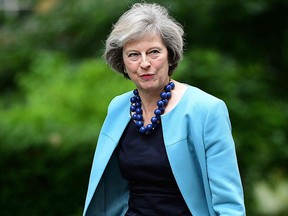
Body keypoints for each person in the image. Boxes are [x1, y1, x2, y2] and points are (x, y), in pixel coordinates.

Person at [83, 2, 245, 216]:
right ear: (122, 62)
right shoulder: (118, 108)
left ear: (170, 55)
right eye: (133, 55)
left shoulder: (206, 110)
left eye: (153, 52)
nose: (144, 63)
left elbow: (229, 204)